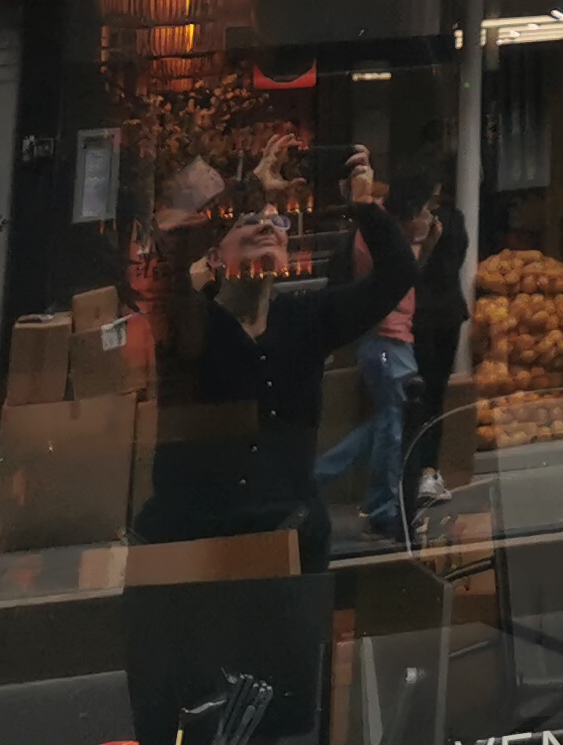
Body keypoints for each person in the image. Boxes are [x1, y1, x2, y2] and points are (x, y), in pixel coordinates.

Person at [138, 183, 416, 573]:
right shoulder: (190, 323)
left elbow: (398, 273)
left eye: (277, 222)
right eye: (249, 222)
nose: (267, 227)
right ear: (215, 256)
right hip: (196, 544)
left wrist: (365, 206)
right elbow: (167, 244)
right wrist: (234, 190)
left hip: (292, 542)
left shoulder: (305, 319)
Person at [311, 180, 427, 547]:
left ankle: (316, 477)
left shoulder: (380, 232)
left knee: (386, 422)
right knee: (392, 427)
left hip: (385, 339)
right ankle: (381, 511)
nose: (428, 218)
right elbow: (400, 274)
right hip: (387, 338)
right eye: (424, 211)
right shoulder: (380, 236)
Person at [397, 177, 471, 516]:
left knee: (416, 399)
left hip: (421, 317)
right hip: (442, 316)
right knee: (432, 397)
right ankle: (427, 471)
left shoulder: (423, 223)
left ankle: (419, 471)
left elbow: (421, 269)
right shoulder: (451, 220)